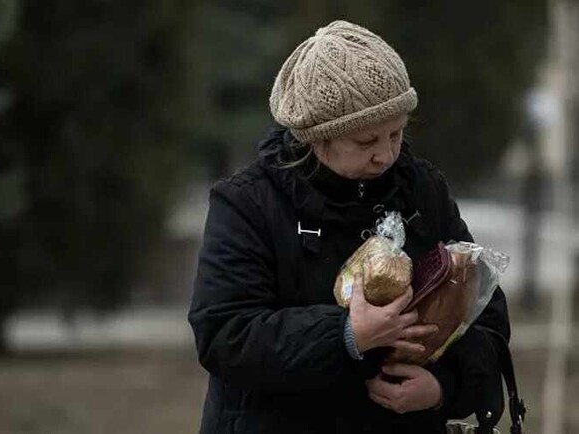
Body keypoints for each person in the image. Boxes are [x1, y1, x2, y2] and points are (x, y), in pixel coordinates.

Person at [188, 20, 510, 434]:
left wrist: (443, 387)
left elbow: (483, 308)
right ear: (315, 138)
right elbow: (224, 334)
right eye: (366, 142)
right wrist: (347, 334)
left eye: (396, 133)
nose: (386, 156)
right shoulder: (247, 203)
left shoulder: (421, 189)